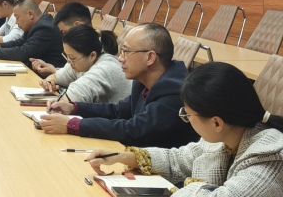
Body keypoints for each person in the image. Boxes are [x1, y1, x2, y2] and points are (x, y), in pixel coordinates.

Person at [89, 62, 283, 197]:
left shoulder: (271, 155)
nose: (187, 119)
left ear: (216, 122)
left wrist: (180, 188)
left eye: (188, 114)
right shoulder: (226, 136)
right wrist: (124, 156)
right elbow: (179, 159)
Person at [40, 23, 199, 148]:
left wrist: (73, 124)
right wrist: (74, 108)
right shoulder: (143, 81)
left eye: (126, 52)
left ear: (150, 57)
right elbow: (118, 111)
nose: (120, 59)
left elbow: (134, 130)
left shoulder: (174, 92)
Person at [38, 24, 130, 104]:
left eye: (72, 58)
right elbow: (56, 76)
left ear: (92, 55)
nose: (69, 62)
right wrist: (49, 83)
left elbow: (74, 96)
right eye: (67, 56)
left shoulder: (106, 67)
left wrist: (60, 100)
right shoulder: (80, 62)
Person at [0, 0, 65, 67]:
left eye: (17, 17)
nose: (16, 22)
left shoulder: (45, 28)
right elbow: (19, 42)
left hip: (47, 78)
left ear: (30, 14)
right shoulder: (36, 25)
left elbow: (24, 53)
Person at [30, 1, 92, 77]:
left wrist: (54, 73)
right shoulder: (80, 46)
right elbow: (72, 74)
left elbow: (83, 80)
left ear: (77, 25)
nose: (63, 37)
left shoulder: (96, 51)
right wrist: (53, 70)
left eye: (65, 32)